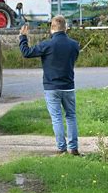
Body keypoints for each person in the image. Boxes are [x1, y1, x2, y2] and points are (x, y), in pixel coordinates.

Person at [19, 15, 80, 155]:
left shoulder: (47, 45)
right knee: (71, 116)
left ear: (52, 28)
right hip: (68, 86)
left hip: (51, 87)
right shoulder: (74, 45)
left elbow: (26, 52)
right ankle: (74, 148)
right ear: (66, 27)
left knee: (57, 118)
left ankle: (61, 148)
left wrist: (23, 37)